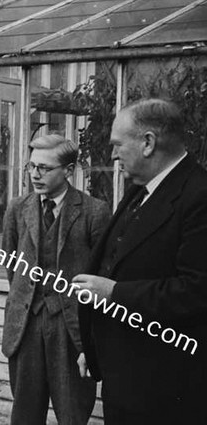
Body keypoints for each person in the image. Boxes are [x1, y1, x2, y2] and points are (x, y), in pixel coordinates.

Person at [74, 99, 207, 424]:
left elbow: (196, 291)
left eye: (118, 145)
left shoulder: (199, 197)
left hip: (169, 390)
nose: (113, 156)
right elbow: (115, 261)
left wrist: (114, 294)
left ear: (148, 143)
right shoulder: (139, 190)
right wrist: (93, 348)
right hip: (125, 379)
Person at [1, 134, 110, 424]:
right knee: (25, 414)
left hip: (72, 327)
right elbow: (12, 267)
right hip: (26, 324)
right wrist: (29, 299)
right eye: (31, 166)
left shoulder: (94, 212)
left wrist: (88, 332)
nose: (35, 175)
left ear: (69, 170)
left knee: (73, 413)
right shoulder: (17, 208)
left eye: (45, 168)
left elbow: (103, 275)